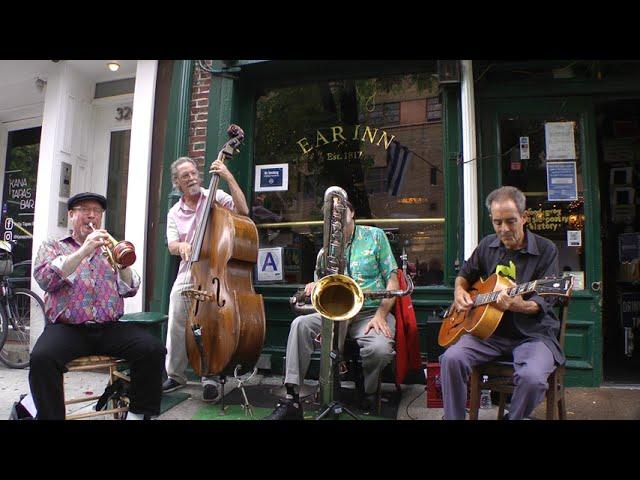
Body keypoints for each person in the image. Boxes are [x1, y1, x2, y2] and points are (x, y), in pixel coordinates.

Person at [29, 192, 166, 420]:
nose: (91, 216)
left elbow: (131, 288)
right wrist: (83, 251)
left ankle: (138, 414)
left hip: (108, 327)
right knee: (41, 359)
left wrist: (123, 265)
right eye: (84, 210)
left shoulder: (109, 249)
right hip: (67, 328)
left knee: (153, 350)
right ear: (71, 215)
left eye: (97, 211)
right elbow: (45, 279)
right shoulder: (53, 246)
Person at [265, 200, 399, 420]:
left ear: (353, 212)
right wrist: (314, 287)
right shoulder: (325, 251)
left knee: (380, 349)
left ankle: (368, 389)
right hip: (334, 313)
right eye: (331, 213)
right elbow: (323, 291)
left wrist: (381, 315)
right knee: (299, 325)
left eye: (340, 211)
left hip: (369, 313)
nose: (335, 216)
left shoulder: (375, 236)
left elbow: (392, 280)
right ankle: (291, 398)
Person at [439, 186, 563, 420]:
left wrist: (519, 306)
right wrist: (459, 291)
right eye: (498, 223)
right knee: (451, 359)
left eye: (511, 221)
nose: (504, 229)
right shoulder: (487, 245)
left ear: (524, 218)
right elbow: (464, 274)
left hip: (533, 335)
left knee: (533, 379)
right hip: (488, 335)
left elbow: (546, 300)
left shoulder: (546, 250)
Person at [163, 156, 249, 401]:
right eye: (185, 176)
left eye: (193, 173)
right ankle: (176, 375)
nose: (191, 178)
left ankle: (209, 376)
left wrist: (228, 176)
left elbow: (243, 210)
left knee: (210, 321)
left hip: (215, 270)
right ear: (177, 182)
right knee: (177, 312)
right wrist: (181, 246)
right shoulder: (174, 212)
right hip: (189, 270)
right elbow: (171, 245)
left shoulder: (215, 196)